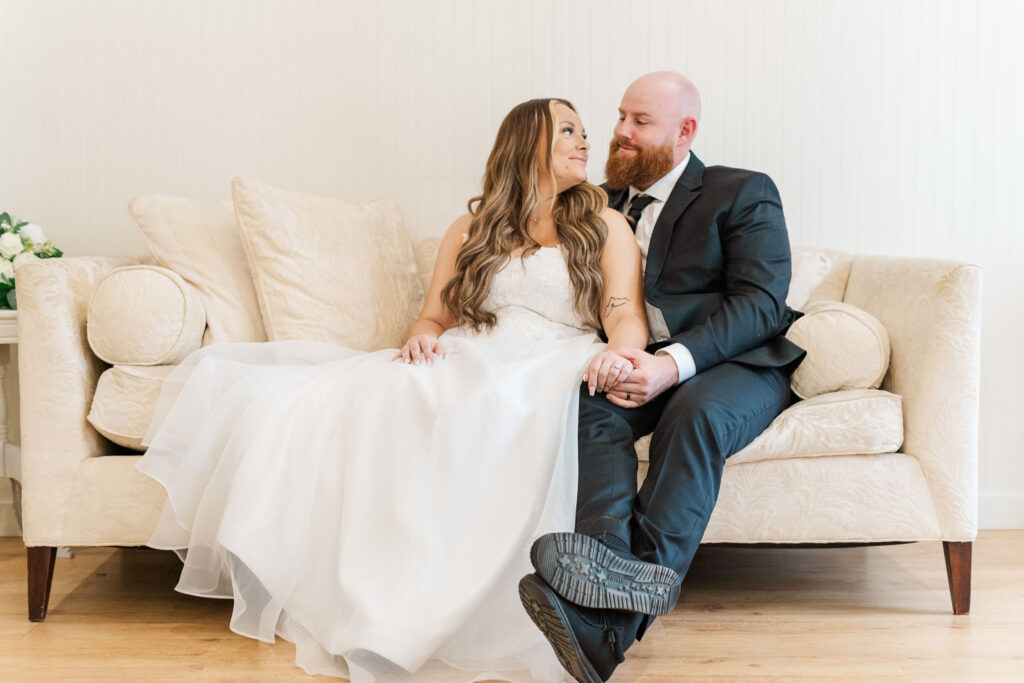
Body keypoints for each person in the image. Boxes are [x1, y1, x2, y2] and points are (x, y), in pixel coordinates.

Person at [136, 98, 649, 683]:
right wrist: (422, 339)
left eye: (584, 132)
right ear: (526, 144)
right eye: (568, 132)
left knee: (508, 407)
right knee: (394, 395)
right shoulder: (471, 230)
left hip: (557, 357)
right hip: (476, 350)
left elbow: (623, 313)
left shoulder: (604, 223)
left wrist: (621, 353)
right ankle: (384, 591)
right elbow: (433, 317)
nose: (586, 142)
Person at [519, 72, 806, 682]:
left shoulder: (740, 191)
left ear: (685, 131)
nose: (620, 133)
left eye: (639, 122)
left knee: (694, 412)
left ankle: (608, 625)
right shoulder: (595, 203)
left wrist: (670, 364)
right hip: (635, 360)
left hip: (734, 366)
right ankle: (606, 574)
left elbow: (760, 303)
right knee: (593, 401)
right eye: (620, 116)